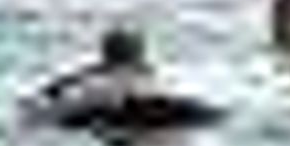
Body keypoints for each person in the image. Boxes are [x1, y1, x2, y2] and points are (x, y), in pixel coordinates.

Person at [22, 26, 224, 137]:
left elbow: (47, 95)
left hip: (113, 117)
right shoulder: (140, 75)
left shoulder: (91, 76)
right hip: (131, 115)